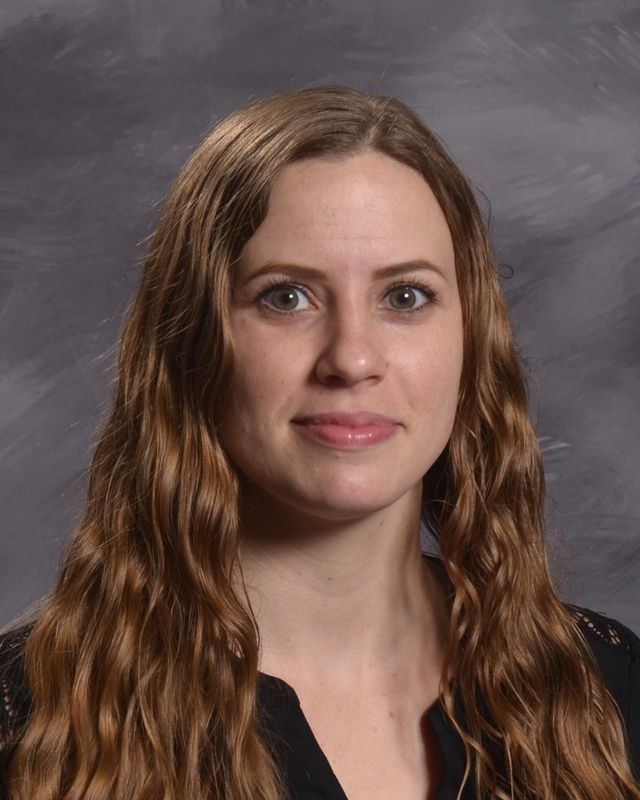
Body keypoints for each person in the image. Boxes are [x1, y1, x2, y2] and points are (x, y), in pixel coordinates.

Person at [0, 85, 638, 800]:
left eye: (405, 297)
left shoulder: (605, 689)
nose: (352, 358)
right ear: (192, 342)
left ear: (471, 339)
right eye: (286, 297)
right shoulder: (28, 718)